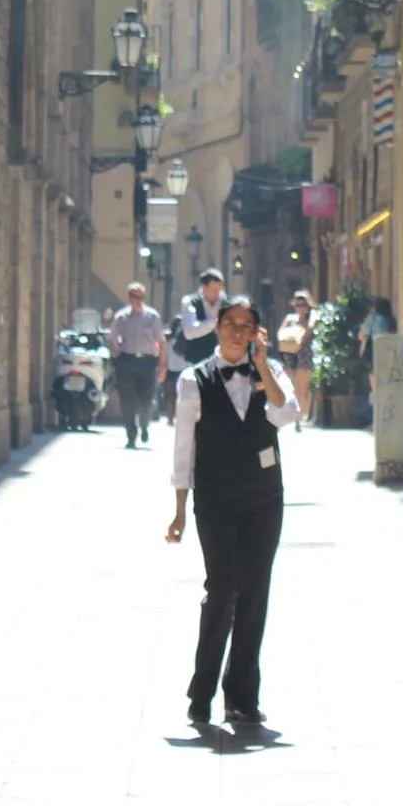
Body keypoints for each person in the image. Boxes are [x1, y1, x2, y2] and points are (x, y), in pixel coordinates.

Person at [165, 297, 300, 728]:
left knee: (255, 593)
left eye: (246, 326)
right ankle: (202, 689)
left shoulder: (270, 371)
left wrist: (262, 367)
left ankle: (242, 695)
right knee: (223, 589)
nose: (237, 332)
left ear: (257, 332)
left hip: (264, 497)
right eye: (230, 324)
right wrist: (179, 510)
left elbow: (287, 413)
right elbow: (184, 448)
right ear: (218, 327)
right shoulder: (194, 379)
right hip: (215, 496)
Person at [107, 282, 168, 448]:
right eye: (134, 297)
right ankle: (131, 435)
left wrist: (162, 366)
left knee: (146, 400)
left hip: (147, 362)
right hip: (127, 361)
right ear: (129, 298)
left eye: (141, 297)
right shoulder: (121, 317)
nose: (138, 301)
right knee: (127, 401)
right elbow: (112, 338)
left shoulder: (152, 317)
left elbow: (162, 342)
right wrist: (117, 354)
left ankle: (144, 425)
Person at [276, 292, 317, 432]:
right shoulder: (289, 319)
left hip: (304, 356)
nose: (300, 308)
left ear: (308, 306)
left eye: (303, 305)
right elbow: (280, 334)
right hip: (289, 355)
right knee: (292, 387)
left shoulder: (312, 320)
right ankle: (296, 415)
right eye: (298, 305)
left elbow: (309, 333)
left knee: (302, 388)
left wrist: (307, 324)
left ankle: (299, 418)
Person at [177, 268, 227, 365]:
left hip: (220, 359)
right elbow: (189, 332)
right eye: (214, 290)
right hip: (196, 359)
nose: (218, 293)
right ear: (204, 287)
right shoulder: (190, 301)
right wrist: (215, 323)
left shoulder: (226, 303)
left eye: (220, 289)